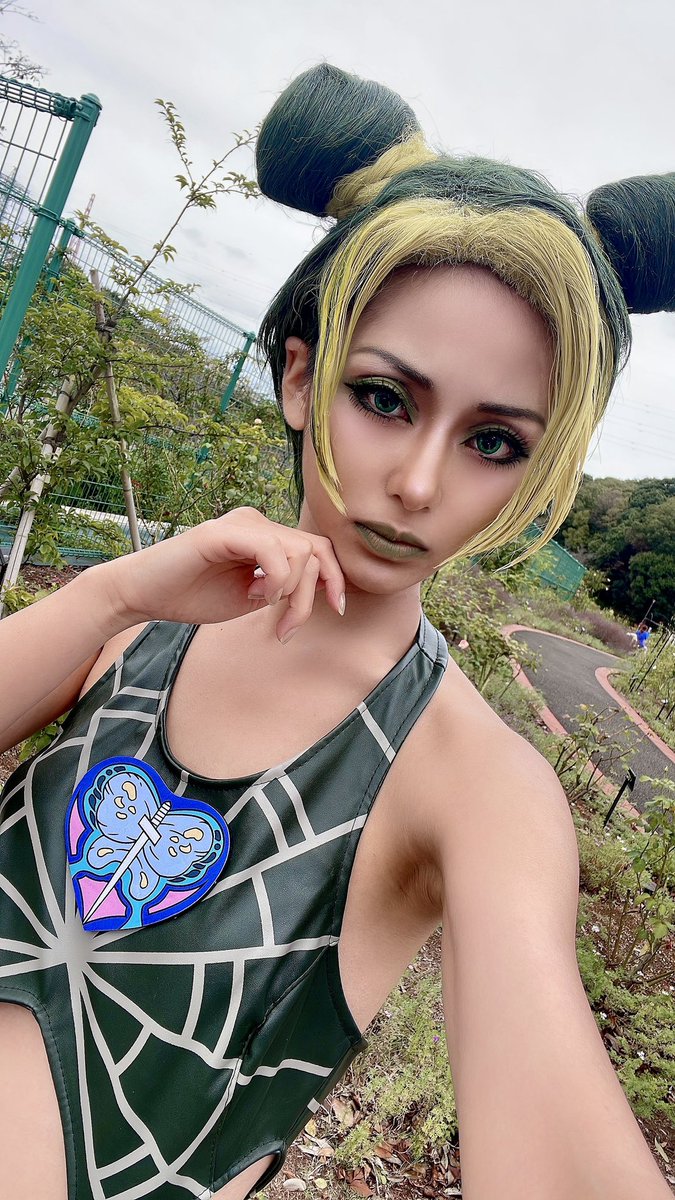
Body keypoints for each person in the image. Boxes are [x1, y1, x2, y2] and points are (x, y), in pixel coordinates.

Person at [0, 63, 673, 1200]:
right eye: (384, 398)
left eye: (494, 443)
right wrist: (111, 594)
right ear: (301, 378)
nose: (416, 483)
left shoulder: (472, 784)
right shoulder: (136, 631)